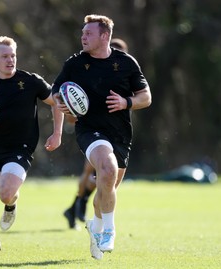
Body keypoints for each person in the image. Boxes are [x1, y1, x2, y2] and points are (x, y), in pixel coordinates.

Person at [52, 15, 151, 260]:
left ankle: (95, 226)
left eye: (89, 33)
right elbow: (55, 93)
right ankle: (109, 230)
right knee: (105, 168)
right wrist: (63, 106)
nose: (83, 37)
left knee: (106, 190)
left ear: (104, 36)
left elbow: (146, 97)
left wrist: (126, 101)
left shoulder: (126, 63)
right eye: (82, 33)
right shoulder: (75, 63)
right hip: (89, 132)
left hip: (120, 134)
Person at [0, 36, 63, 257]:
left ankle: (11, 204)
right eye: (4, 56)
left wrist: (57, 133)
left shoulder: (31, 81)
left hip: (21, 147)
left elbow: (56, 102)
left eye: (13, 56)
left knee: (6, 193)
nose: (10, 60)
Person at [63, 38, 130, 230]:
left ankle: (77, 205)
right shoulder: (89, 75)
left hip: (116, 135)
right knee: (92, 172)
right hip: (94, 135)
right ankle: (80, 204)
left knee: (105, 180)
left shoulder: (125, 76)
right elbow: (72, 113)